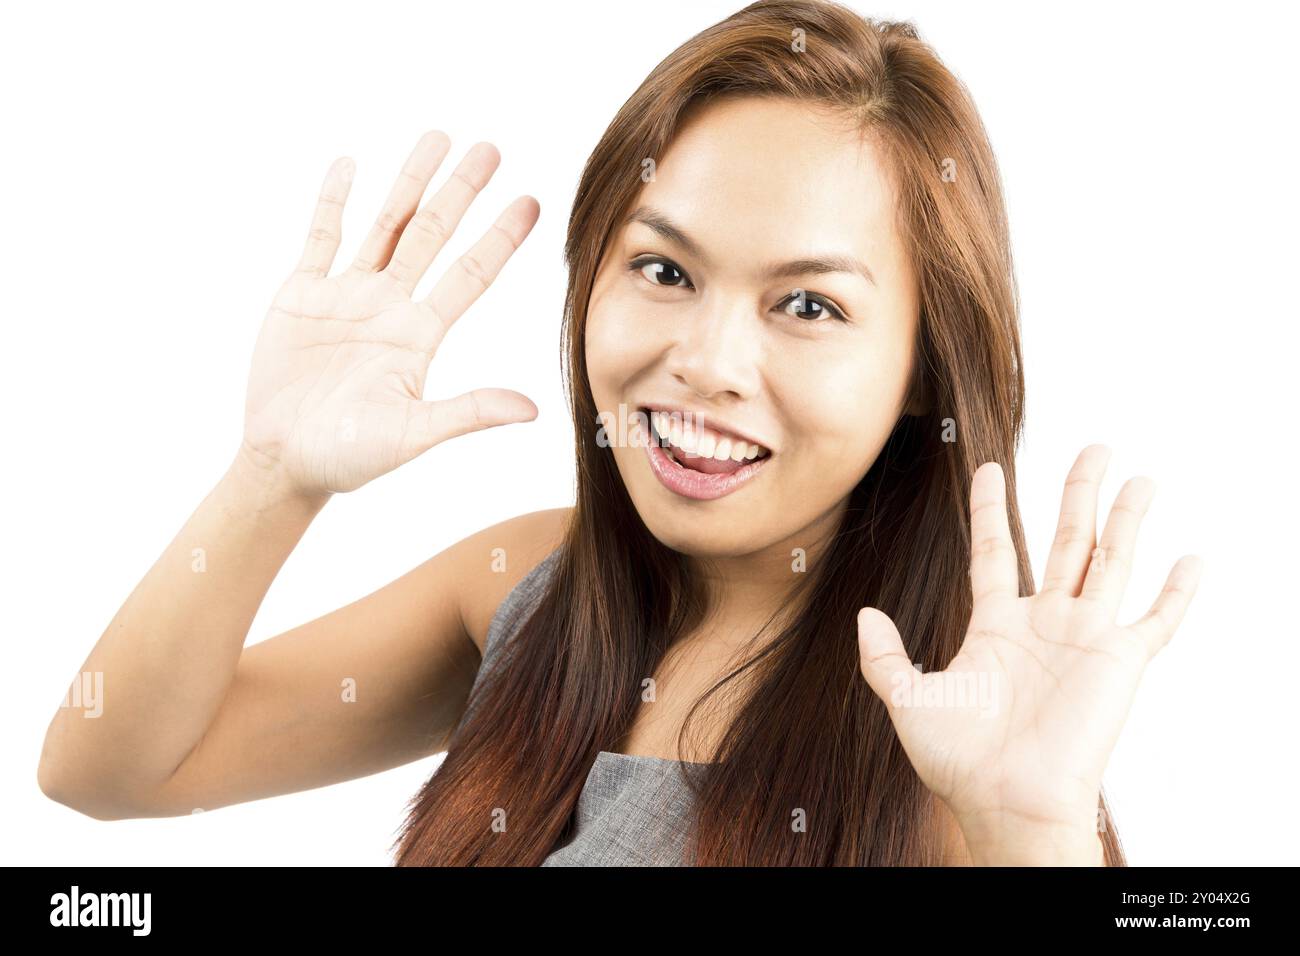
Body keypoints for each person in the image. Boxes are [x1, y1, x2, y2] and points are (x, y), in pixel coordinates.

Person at [36, 0, 1201, 866]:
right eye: (663, 268)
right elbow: (107, 767)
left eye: (809, 305)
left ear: (918, 371)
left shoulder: (968, 730)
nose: (702, 361)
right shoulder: (525, 589)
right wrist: (270, 475)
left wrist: (1035, 830)